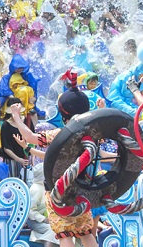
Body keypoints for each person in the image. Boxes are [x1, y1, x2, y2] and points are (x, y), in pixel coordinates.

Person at [8, 93, 98, 246]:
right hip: (80, 189)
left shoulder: (60, 134)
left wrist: (16, 115)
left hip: (58, 190)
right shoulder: (92, 136)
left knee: (65, 234)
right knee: (85, 232)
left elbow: (30, 137)